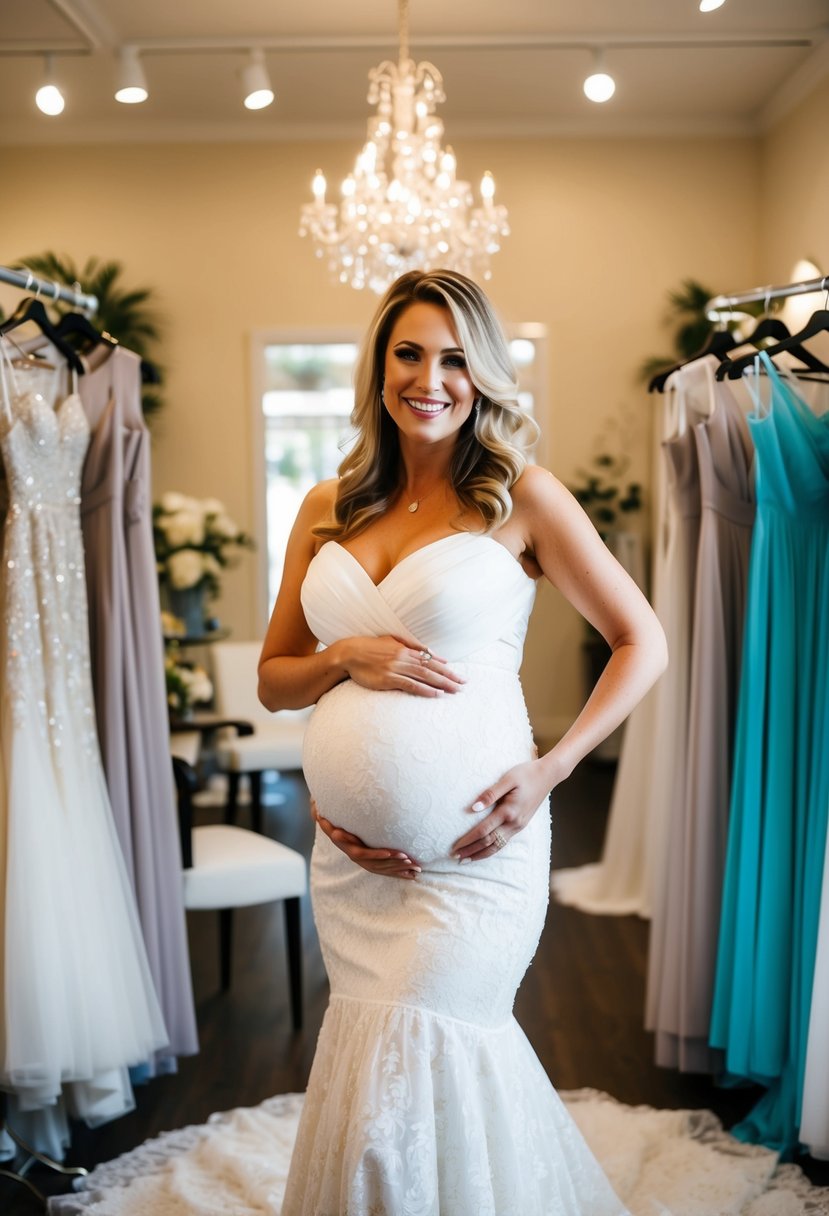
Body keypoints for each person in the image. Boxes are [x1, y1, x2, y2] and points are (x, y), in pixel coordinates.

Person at [258, 269, 667, 1215]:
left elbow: (640, 640)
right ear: (380, 364)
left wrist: (552, 772)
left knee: (423, 1066)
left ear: (481, 375)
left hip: (478, 856)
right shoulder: (327, 505)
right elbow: (276, 678)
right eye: (409, 352)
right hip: (352, 865)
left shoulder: (520, 495)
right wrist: (342, 659)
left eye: (453, 358)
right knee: (372, 1083)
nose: (429, 379)